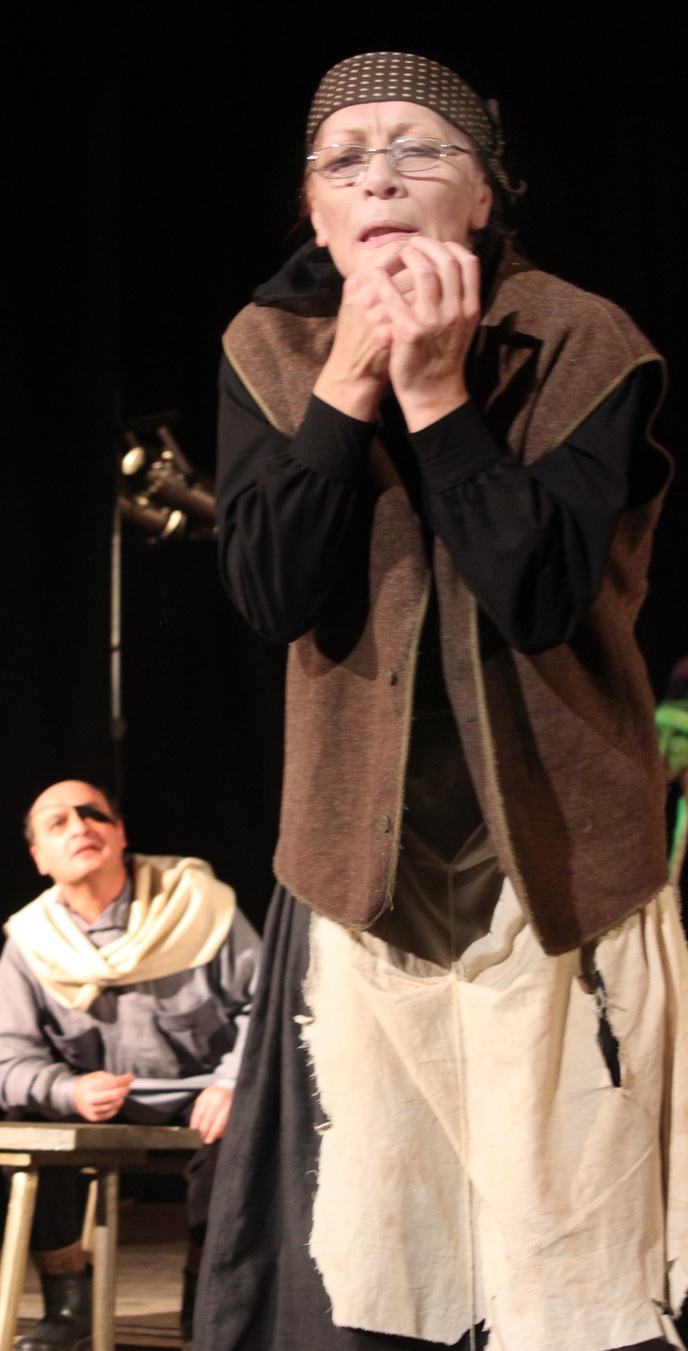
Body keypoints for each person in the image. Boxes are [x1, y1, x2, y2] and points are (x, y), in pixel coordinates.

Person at [195, 50, 688, 1351]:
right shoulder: (268, 345)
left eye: (417, 150)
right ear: (314, 214)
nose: (379, 178)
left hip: (560, 860)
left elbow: (539, 591)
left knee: (571, 1255)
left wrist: (432, 390)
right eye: (344, 159)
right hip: (360, 869)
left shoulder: (581, 339)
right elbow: (268, 589)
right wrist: (346, 385)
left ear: (484, 195)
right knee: (377, 1261)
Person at [0, 779, 261, 1351]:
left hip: (202, 1095)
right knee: (26, 1126)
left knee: (241, 1134)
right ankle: (68, 1305)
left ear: (121, 833)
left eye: (93, 815)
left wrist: (234, 1082)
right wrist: (69, 1091)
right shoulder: (32, 941)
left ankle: (206, 1308)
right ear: (39, 859)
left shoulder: (196, 905)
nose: (80, 827)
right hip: (98, 1102)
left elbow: (269, 1006)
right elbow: (6, 1060)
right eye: (58, 823)